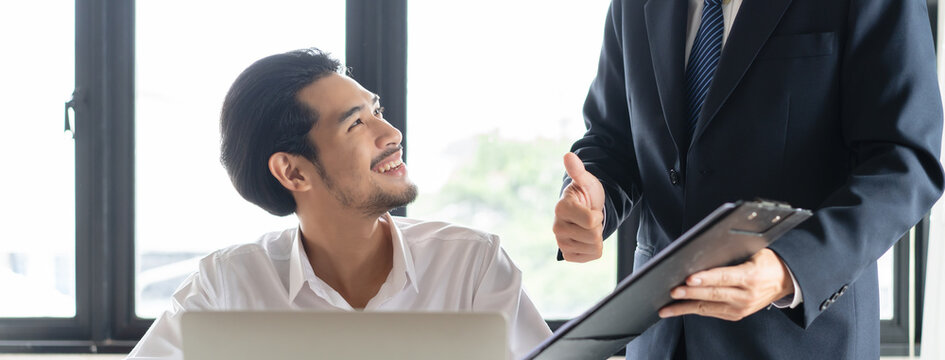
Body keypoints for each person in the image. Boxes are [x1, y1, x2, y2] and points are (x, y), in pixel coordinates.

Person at [552, 0, 943, 359]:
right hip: (660, 341)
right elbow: (613, 137)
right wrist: (593, 202)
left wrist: (790, 268)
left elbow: (904, 161)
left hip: (803, 343)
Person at [127, 48, 551, 360]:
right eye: (356, 124)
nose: (391, 134)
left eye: (377, 110)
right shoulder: (224, 285)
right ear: (293, 172)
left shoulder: (472, 265)